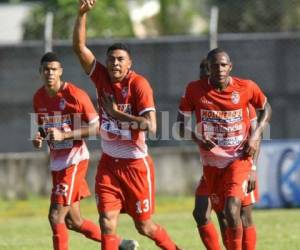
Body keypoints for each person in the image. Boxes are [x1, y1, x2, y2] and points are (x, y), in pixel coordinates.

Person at [73, 1, 181, 250]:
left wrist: (115, 113)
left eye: (121, 59)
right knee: (106, 222)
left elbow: (150, 126)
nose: (115, 64)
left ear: (129, 63)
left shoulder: (139, 85)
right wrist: (82, 15)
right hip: (109, 164)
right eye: (111, 59)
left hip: (136, 166)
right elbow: (79, 48)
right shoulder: (101, 78)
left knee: (144, 226)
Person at [32, 52, 136, 250]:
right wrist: (39, 138)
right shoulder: (38, 97)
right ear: (40, 72)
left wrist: (65, 135)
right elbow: (42, 128)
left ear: (60, 71)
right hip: (57, 164)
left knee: (55, 216)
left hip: (74, 160)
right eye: (46, 69)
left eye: (54, 69)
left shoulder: (75, 95)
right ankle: (122, 245)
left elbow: (98, 127)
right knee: (74, 221)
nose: (50, 73)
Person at [177, 48, 272, 250]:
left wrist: (253, 164)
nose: (217, 69)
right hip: (212, 165)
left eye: (222, 65)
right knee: (216, 213)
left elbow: (263, 118)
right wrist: (198, 138)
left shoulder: (245, 89)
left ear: (230, 67)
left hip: (240, 161)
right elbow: (180, 125)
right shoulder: (195, 90)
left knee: (236, 211)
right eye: (212, 66)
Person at [197, 58, 261, 250]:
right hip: (212, 168)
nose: (204, 77)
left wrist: (253, 168)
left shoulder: (240, 99)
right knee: (210, 213)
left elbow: (256, 136)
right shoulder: (201, 97)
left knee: (242, 214)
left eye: (206, 73)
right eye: (202, 73)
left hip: (239, 165)